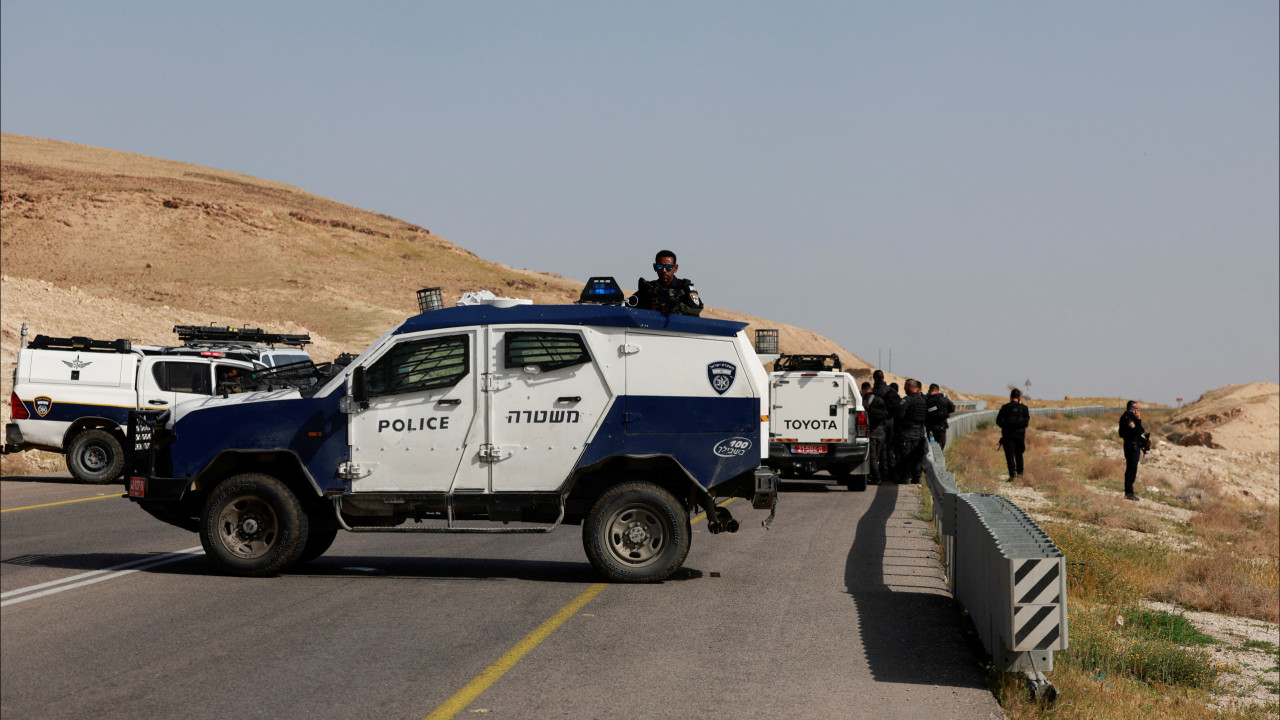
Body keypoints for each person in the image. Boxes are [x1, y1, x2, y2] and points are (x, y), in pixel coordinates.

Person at [628, 250, 703, 316]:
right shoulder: (649, 289)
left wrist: (676, 311)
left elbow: (695, 315)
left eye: (669, 267)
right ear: (655, 267)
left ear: (675, 268)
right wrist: (648, 308)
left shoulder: (685, 288)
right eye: (660, 267)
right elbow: (626, 307)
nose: (664, 270)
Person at [895, 378, 928, 483]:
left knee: (905, 455)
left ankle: (905, 478)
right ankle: (916, 477)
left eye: (905, 386)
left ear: (910, 387)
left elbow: (899, 414)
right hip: (919, 432)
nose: (904, 388)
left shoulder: (907, 400)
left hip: (907, 432)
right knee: (917, 456)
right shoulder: (923, 400)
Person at [871, 370, 900, 480]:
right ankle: (892, 473)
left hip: (879, 423)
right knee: (890, 449)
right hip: (891, 422)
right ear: (883, 377)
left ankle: (884, 473)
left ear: (874, 378)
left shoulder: (875, 392)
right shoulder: (890, 390)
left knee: (882, 449)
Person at [995, 388, 1030, 480]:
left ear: (1010, 397)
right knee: (1019, 454)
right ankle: (1020, 474)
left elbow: (998, 421)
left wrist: (1005, 426)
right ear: (1019, 397)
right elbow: (1026, 423)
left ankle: (1012, 475)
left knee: (1009, 455)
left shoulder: (1005, 407)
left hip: (1007, 435)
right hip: (1020, 435)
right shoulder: (1024, 408)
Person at [1117, 400, 1148, 501]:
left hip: (1134, 446)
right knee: (1131, 470)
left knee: (1132, 470)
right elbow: (1135, 431)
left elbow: (1140, 431)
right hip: (1131, 447)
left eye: (1138, 409)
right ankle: (1129, 493)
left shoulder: (1132, 418)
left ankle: (1129, 492)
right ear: (1130, 409)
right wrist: (1138, 419)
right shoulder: (1127, 419)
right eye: (1136, 409)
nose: (1138, 411)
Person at [861, 381, 888, 485]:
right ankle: (876, 475)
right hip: (881, 431)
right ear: (871, 388)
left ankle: (876, 477)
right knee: (877, 455)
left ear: (863, 390)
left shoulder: (864, 400)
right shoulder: (880, 399)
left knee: (872, 456)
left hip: (871, 431)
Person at [925, 383, 955, 450]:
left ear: (929, 391)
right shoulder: (944, 399)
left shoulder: (926, 400)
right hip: (941, 428)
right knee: (940, 447)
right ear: (937, 391)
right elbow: (952, 408)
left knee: (931, 446)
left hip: (930, 428)